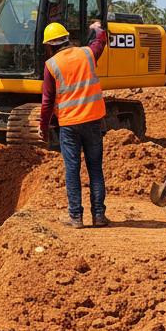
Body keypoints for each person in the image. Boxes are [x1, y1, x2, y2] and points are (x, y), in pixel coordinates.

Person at [38, 20, 109, 228]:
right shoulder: (87, 53)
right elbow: (100, 41)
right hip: (93, 120)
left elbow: (47, 102)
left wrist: (43, 128)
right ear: (67, 39)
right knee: (95, 168)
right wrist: (96, 28)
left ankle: (76, 217)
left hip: (69, 124)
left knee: (72, 169)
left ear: (50, 46)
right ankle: (99, 216)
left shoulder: (51, 65)